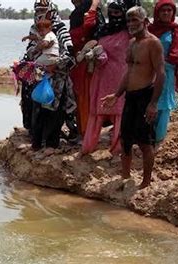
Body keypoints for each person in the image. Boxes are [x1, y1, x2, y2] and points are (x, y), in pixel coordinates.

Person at [101, 6, 165, 189]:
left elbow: (161, 74)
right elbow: (128, 72)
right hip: (130, 97)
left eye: (135, 20)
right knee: (125, 139)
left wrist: (153, 103)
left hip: (146, 96)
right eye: (128, 21)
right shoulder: (131, 43)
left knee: (146, 143)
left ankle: (145, 183)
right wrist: (117, 94)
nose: (130, 24)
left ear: (145, 22)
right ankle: (125, 176)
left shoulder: (153, 43)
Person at [22, 0, 77, 151]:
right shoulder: (35, 28)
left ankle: (52, 143)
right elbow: (30, 51)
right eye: (38, 10)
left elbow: (69, 53)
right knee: (37, 106)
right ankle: (37, 141)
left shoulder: (59, 29)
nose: (40, 13)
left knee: (54, 108)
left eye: (43, 10)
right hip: (39, 72)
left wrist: (55, 65)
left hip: (57, 74)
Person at [82, 0, 131, 155]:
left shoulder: (129, 31)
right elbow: (96, 45)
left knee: (119, 112)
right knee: (98, 111)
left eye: (118, 12)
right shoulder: (103, 30)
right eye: (112, 12)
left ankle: (117, 149)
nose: (114, 15)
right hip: (101, 76)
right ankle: (88, 146)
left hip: (120, 76)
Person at [69, 0, 105, 136]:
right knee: (84, 97)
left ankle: (86, 132)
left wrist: (94, 6)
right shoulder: (84, 14)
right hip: (83, 62)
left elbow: (90, 26)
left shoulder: (86, 14)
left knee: (85, 98)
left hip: (85, 62)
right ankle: (86, 131)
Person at [148, 0, 178, 143]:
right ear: (157, 13)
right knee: (149, 102)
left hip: (167, 74)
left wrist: (164, 62)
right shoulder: (149, 29)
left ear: (173, 13)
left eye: (169, 10)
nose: (166, 13)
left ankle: (158, 138)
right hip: (149, 72)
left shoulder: (176, 31)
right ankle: (148, 137)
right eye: (163, 10)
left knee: (163, 106)